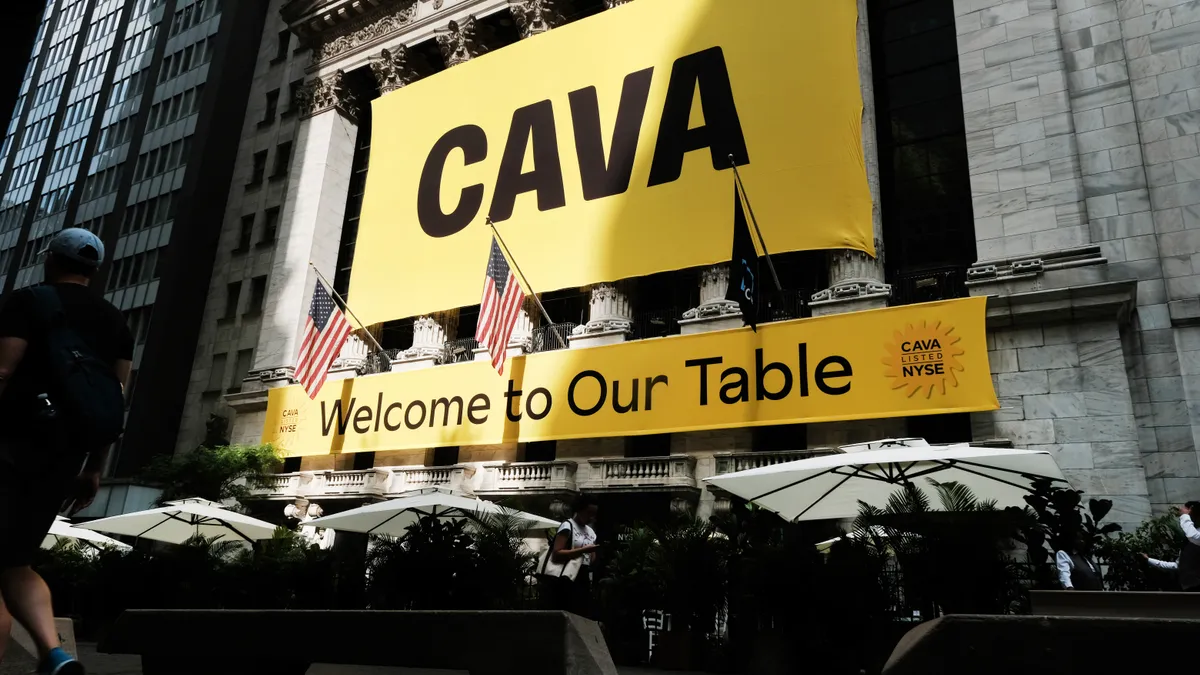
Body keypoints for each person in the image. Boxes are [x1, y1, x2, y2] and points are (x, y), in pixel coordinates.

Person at [0, 229, 133, 675]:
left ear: (51, 260)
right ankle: (54, 654)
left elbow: (3, 369)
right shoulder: (116, 321)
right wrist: (94, 468)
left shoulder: (27, 301)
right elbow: (113, 398)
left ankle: (48, 655)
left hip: (12, 444)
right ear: (93, 270)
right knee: (14, 560)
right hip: (65, 457)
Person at [550, 494, 600, 617]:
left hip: (584, 575)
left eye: (594, 514)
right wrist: (582, 550)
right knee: (570, 611)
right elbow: (556, 553)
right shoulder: (568, 526)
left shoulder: (590, 531)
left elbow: (591, 558)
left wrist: (592, 553)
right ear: (580, 510)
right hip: (568, 575)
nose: (591, 517)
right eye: (589, 513)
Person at [1142, 501, 1200, 591]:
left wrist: (1184, 516)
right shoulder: (1189, 543)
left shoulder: (1194, 536)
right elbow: (1178, 566)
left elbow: (1193, 536)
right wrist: (1149, 560)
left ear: (1191, 510)